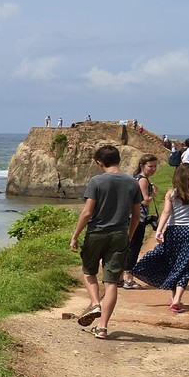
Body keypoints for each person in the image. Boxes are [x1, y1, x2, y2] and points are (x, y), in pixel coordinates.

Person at [69, 144, 143, 340]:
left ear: (99, 162)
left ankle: (95, 303)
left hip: (96, 233)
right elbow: (136, 216)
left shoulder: (96, 181)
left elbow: (87, 212)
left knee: (88, 271)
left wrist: (75, 235)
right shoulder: (132, 182)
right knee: (111, 283)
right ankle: (102, 328)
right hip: (119, 234)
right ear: (119, 159)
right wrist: (128, 235)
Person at [129, 161, 189, 312]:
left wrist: (159, 230)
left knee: (171, 262)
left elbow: (166, 213)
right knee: (186, 265)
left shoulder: (172, 193)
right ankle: (177, 299)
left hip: (173, 231)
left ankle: (135, 270)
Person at [121, 153, 160, 288]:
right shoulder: (143, 180)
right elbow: (144, 201)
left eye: (155, 166)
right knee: (134, 248)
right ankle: (129, 279)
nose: (153, 169)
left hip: (129, 216)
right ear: (142, 166)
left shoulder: (135, 178)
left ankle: (120, 277)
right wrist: (153, 193)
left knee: (126, 246)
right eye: (151, 166)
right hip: (138, 217)